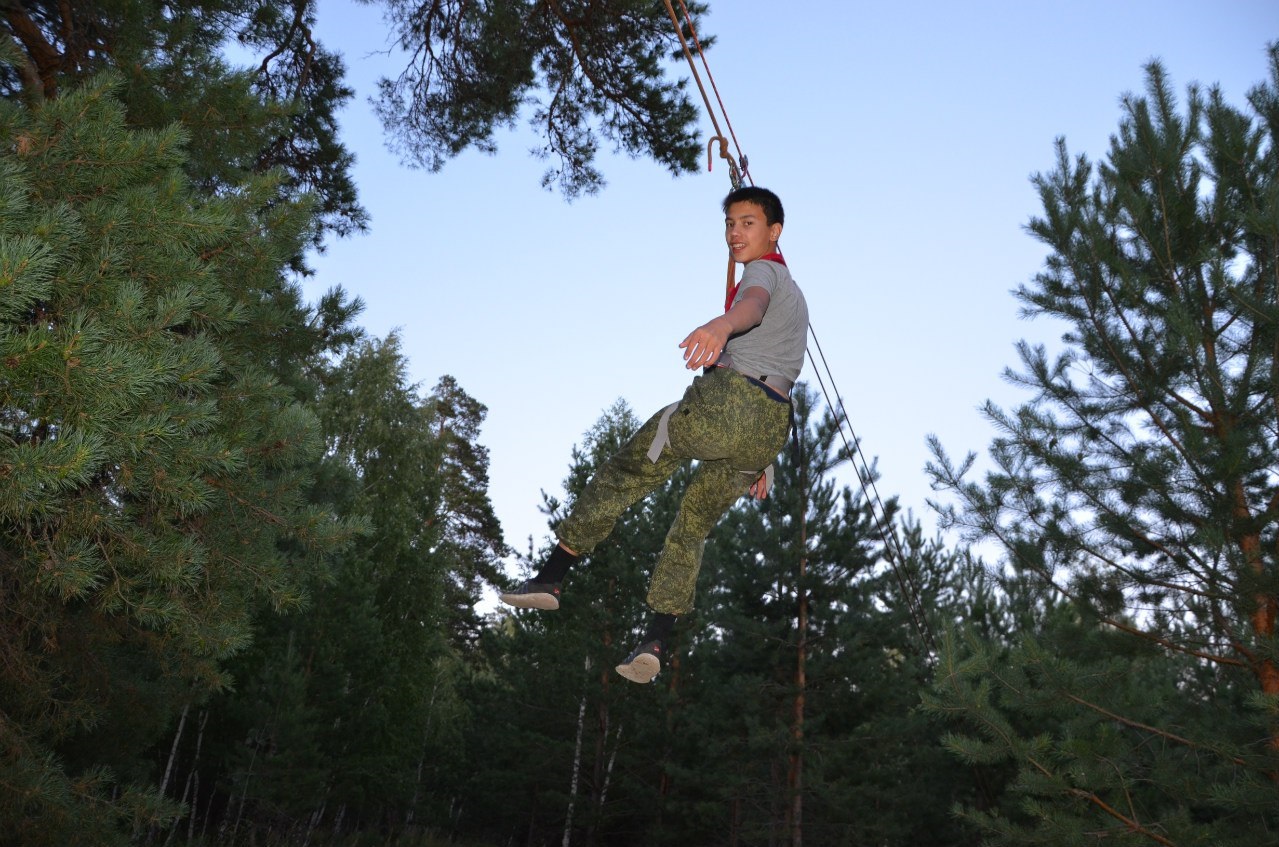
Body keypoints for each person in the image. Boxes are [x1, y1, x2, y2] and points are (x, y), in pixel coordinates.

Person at [500, 186, 808, 684]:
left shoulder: (763, 273)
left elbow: (751, 305)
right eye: (730, 224)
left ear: (774, 232)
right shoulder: (797, 298)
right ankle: (656, 638)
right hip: (768, 428)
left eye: (747, 223)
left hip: (728, 407)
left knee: (626, 471)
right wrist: (763, 460)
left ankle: (551, 577)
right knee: (693, 526)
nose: (734, 233)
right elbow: (775, 368)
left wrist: (721, 324)